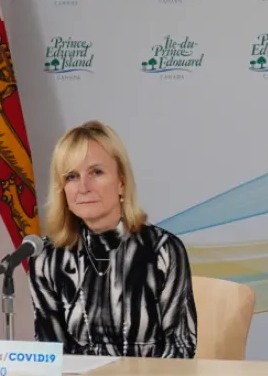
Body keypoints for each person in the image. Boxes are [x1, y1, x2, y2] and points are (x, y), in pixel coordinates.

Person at [28, 120, 197, 357]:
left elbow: (181, 348)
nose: (83, 187)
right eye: (71, 177)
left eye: (96, 172)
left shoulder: (163, 250)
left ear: (121, 182)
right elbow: (49, 353)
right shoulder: (46, 258)